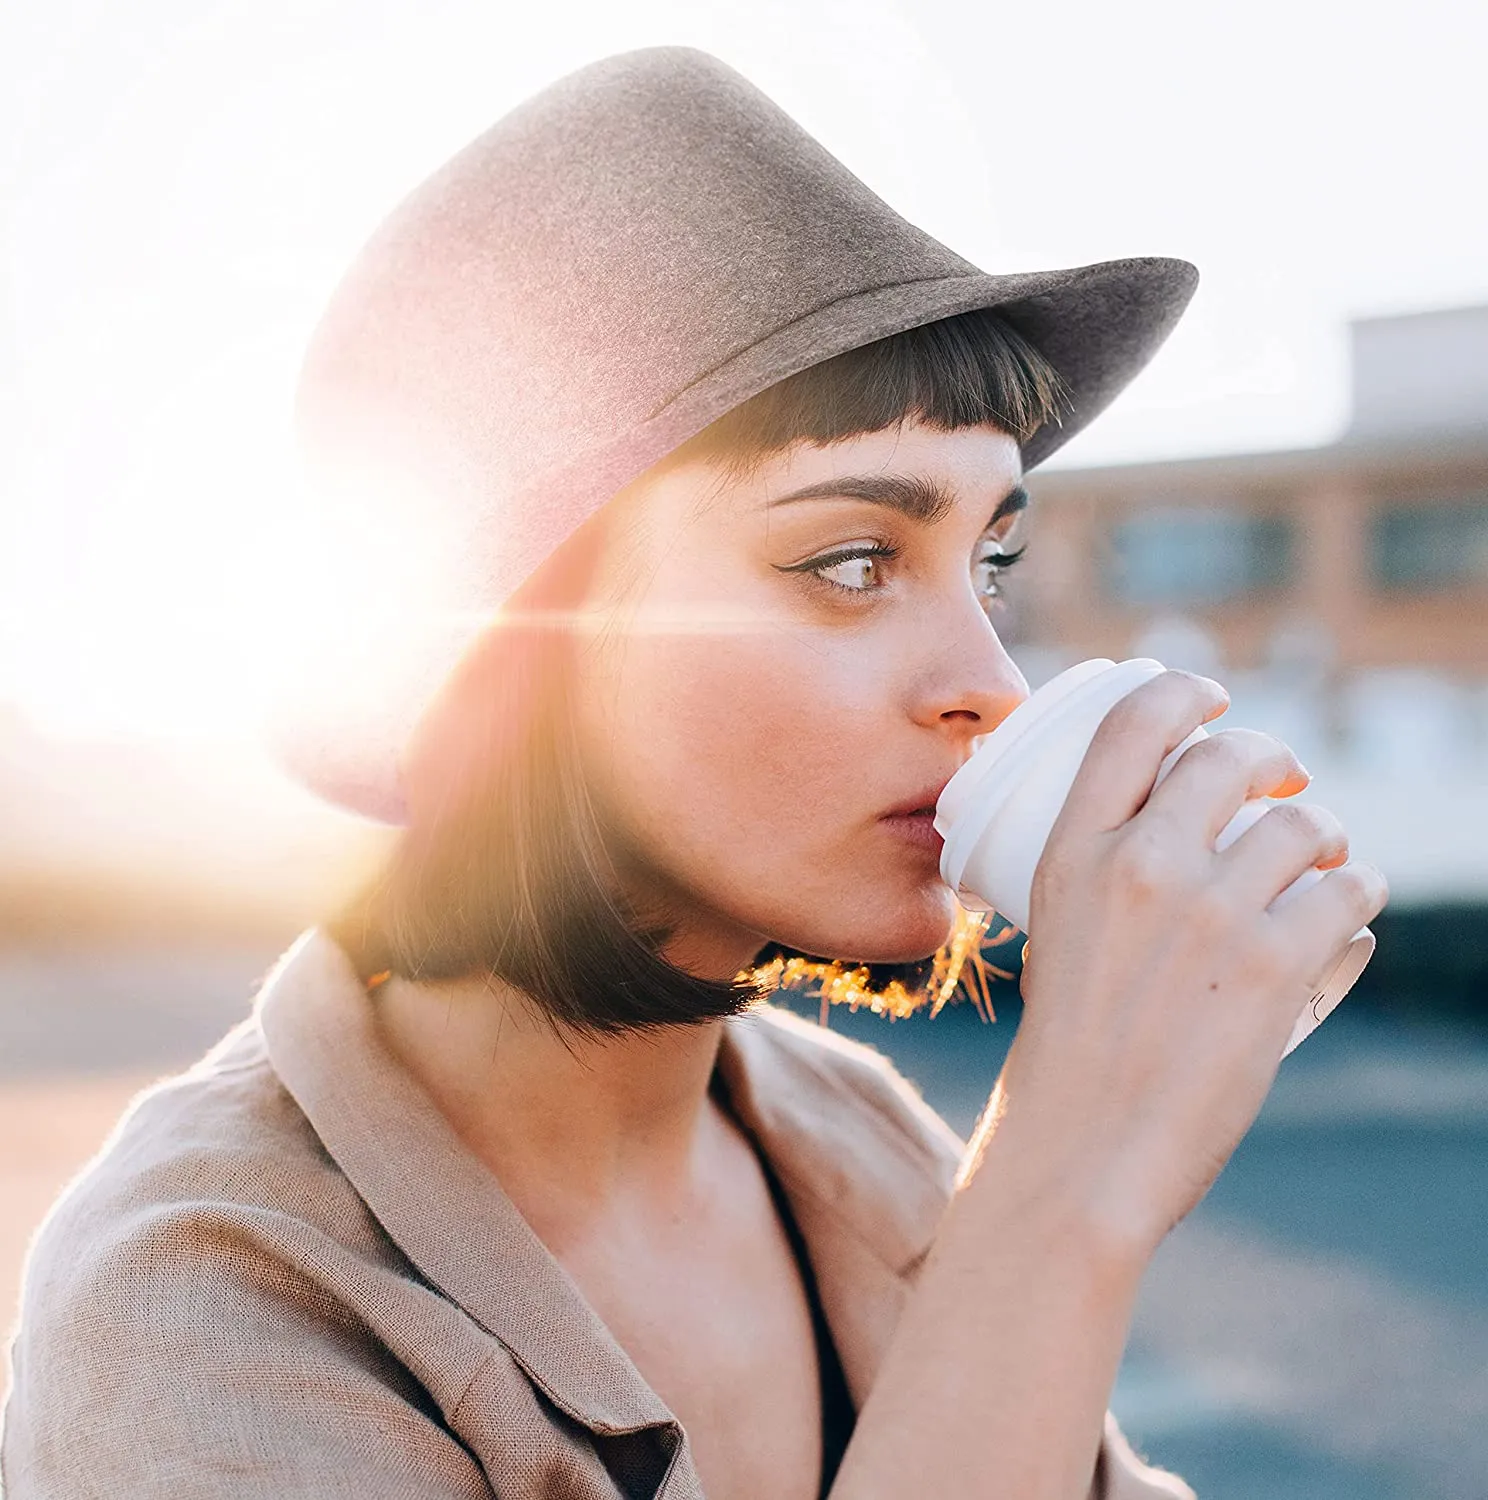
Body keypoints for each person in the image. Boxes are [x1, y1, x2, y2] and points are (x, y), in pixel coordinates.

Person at [0, 47, 1386, 1500]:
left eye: (992, 560)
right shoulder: (196, 1323)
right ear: (516, 644)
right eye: (853, 560)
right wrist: (1060, 1190)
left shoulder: (841, 1136)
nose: (990, 678)